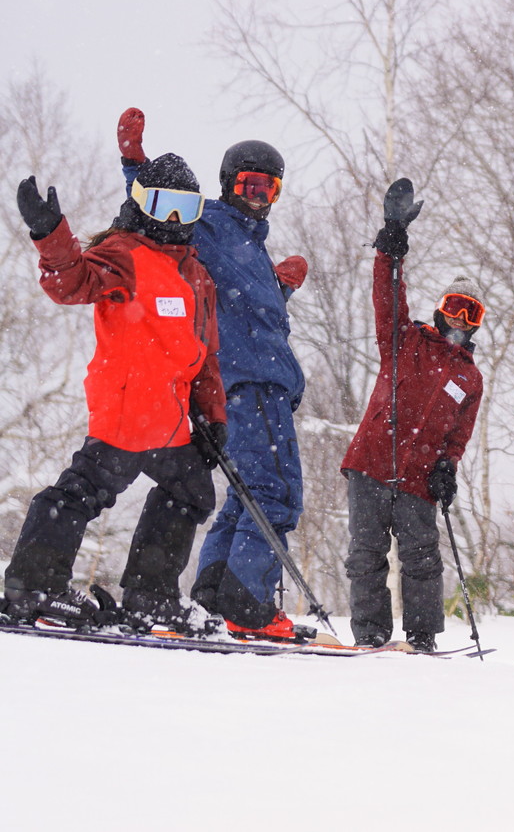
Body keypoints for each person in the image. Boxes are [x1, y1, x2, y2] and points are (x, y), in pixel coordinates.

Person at [1, 155, 226, 633]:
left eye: (184, 209)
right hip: (126, 411)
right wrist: (50, 235)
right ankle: (33, 586)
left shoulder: (197, 275)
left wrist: (213, 418)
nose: (171, 220)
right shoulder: (125, 253)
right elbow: (73, 282)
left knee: (190, 492)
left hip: (169, 422)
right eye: (163, 206)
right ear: (141, 205)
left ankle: (151, 597)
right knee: (82, 492)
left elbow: (205, 356)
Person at [116, 109, 309, 639]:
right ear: (228, 184)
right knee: (275, 494)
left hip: (255, 380)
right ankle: (248, 605)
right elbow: (163, 213)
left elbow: (240, 308)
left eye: (268, 187)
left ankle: (215, 595)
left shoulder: (249, 244)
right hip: (250, 381)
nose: (257, 195)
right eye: (248, 184)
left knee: (246, 495)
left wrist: (278, 290)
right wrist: (135, 166)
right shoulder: (214, 224)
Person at [340, 179, 484, 652]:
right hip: (372, 463)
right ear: (441, 310)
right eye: (454, 308)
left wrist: (448, 467)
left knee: (422, 557)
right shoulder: (406, 340)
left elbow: (458, 437)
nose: (461, 319)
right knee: (366, 554)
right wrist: (391, 249)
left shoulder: (470, 378)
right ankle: (372, 634)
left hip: (420, 476)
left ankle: (422, 638)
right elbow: (387, 298)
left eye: (472, 312)